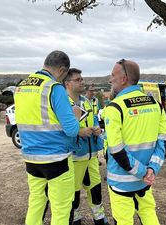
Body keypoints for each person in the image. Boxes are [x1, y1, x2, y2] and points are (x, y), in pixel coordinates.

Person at [14, 50, 92, 225]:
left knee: (36, 204)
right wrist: (76, 114)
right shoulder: (54, 88)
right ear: (62, 69)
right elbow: (72, 130)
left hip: (31, 158)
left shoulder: (22, 86)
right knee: (61, 209)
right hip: (57, 159)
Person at [103, 59, 166, 225]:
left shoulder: (114, 108)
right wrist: (151, 170)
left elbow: (116, 149)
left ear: (124, 79)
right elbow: (163, 142)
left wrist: (142, 172)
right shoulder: (156, 105)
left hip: (122, 180)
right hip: (146, 179)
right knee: (148, 214)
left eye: (113, 75)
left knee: (124, 221)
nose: (110, 80)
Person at [63, 68, 109, 225]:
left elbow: (94, 119)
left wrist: (97, 129)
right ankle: (75, 219)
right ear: (68, 83)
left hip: (92, 156)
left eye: (82, 79)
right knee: (73, 193)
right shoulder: (62, 103)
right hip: (74, 157)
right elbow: (60, 129)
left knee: (95, 189)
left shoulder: (86, 101)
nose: (82, 81)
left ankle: (99, 218)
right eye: (78, 79)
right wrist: (79, 132)